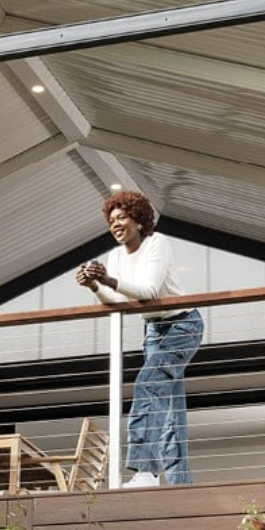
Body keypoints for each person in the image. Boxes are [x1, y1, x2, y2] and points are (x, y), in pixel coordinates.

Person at [75, 190, 203, 487]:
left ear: (139, 220)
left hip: (183, 324)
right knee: (169, 410)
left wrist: (107, 279)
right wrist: (94, 285)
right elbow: (116, 301)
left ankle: (144, 470)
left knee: (148, 386)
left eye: (121, 217)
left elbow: (148, 291)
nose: (115, 224)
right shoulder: (115, 257)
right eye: (111, 220)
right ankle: (180, 485)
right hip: (153, 332)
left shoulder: (157, 244)